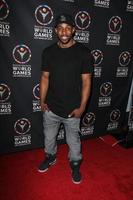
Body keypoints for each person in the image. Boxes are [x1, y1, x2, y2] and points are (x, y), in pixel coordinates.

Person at [38, 13, 93, 184]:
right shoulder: (48, 52)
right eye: (60, 28)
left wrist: (82, 107)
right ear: (55, 31)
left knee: (74, 142)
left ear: (73, 30)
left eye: (68, 28)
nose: (64, 32)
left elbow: (86, 82)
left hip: (73, 109)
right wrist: (42, 101)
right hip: (52, 108)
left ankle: (75, 165)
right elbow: (45, 78)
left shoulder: (84, 53)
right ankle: (50, 157)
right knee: (49, 138)